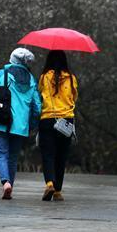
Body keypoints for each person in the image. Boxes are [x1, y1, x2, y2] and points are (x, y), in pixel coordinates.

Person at [0, 47, 41, 200]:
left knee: (1, 153)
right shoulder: (31, 81)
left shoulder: (0, 74)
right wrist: (31, 124)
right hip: (20, 126)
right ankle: (10, 184)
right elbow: (37, 107)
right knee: (12, 156)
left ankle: (5, 183)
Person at [37, 50, 78, 201]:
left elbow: (40, 94)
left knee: (48, 155)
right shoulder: (71, 78)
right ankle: (58, 191)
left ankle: (49, 183)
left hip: (48, 118)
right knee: (61, 156)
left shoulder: (44, 78)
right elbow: (74, 97)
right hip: (66, 120)